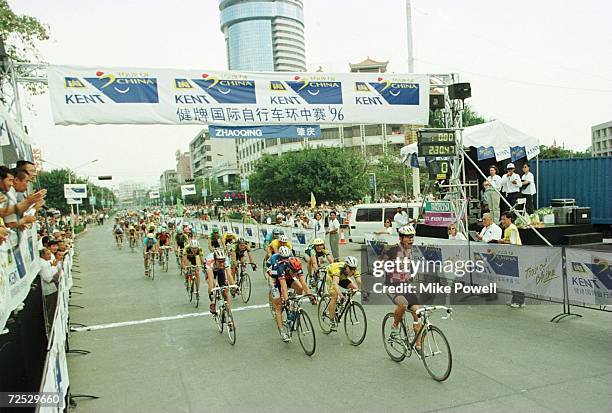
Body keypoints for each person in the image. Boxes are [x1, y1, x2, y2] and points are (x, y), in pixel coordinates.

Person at [383, 224, 422, 349]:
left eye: (412, 237)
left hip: (405, 284)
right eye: (408, 237)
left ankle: (418, 343)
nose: (411, 239)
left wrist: (410, 274)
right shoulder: (394, 250)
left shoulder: (410, 250)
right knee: (403, 304)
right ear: (401, 238)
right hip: (392, 284)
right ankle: (395, 326)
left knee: (417, 311)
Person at [325, 256, 361, 331]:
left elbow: (359, 281)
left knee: (354, 289)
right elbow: (335, 284)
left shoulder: (353, 269)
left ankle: (341, 303)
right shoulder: (337, 269)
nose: (352, 271)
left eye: (354, 268)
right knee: (334, 296)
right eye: (350, 268)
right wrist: (340, 295)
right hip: (331, 277)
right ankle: (332, 320)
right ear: (346, 266)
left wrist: (364, 291)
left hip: (342, 277)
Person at [497, 212, 524, 308]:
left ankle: (519, 301)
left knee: (516, 279)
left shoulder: (512, 228)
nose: (502, 221)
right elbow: (507, 239)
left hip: (516, 256)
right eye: (502, 219)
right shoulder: (507, 229)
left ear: (509, 219)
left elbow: (512, 242)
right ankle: (515, 299)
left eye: (504, 219)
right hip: (511, 257)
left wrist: (501, 241)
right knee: (512, 279)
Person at [205, 248, 236, 316]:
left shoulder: (226, 261)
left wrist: (234, 286)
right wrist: (211, 292)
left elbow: (229, 275)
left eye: (223, 261)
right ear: (215, 260)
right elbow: (210, 278)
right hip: (211, 270)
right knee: (212, 283)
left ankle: (229, 313)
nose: (222, 263)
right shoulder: (209, 261)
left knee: (226, 290)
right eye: (219, 261)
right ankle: (212, 302)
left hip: (220, 270)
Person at [40, 247, 61, 332]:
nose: (50, 256)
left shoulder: (46, 262)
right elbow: (48, 278)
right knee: (50, 311)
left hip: (52, 288)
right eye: (48, 254)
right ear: (42, 255)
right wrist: (54, 267)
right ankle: (51, 329)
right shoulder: (43, 264)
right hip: (48, 290)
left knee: (53, 309)